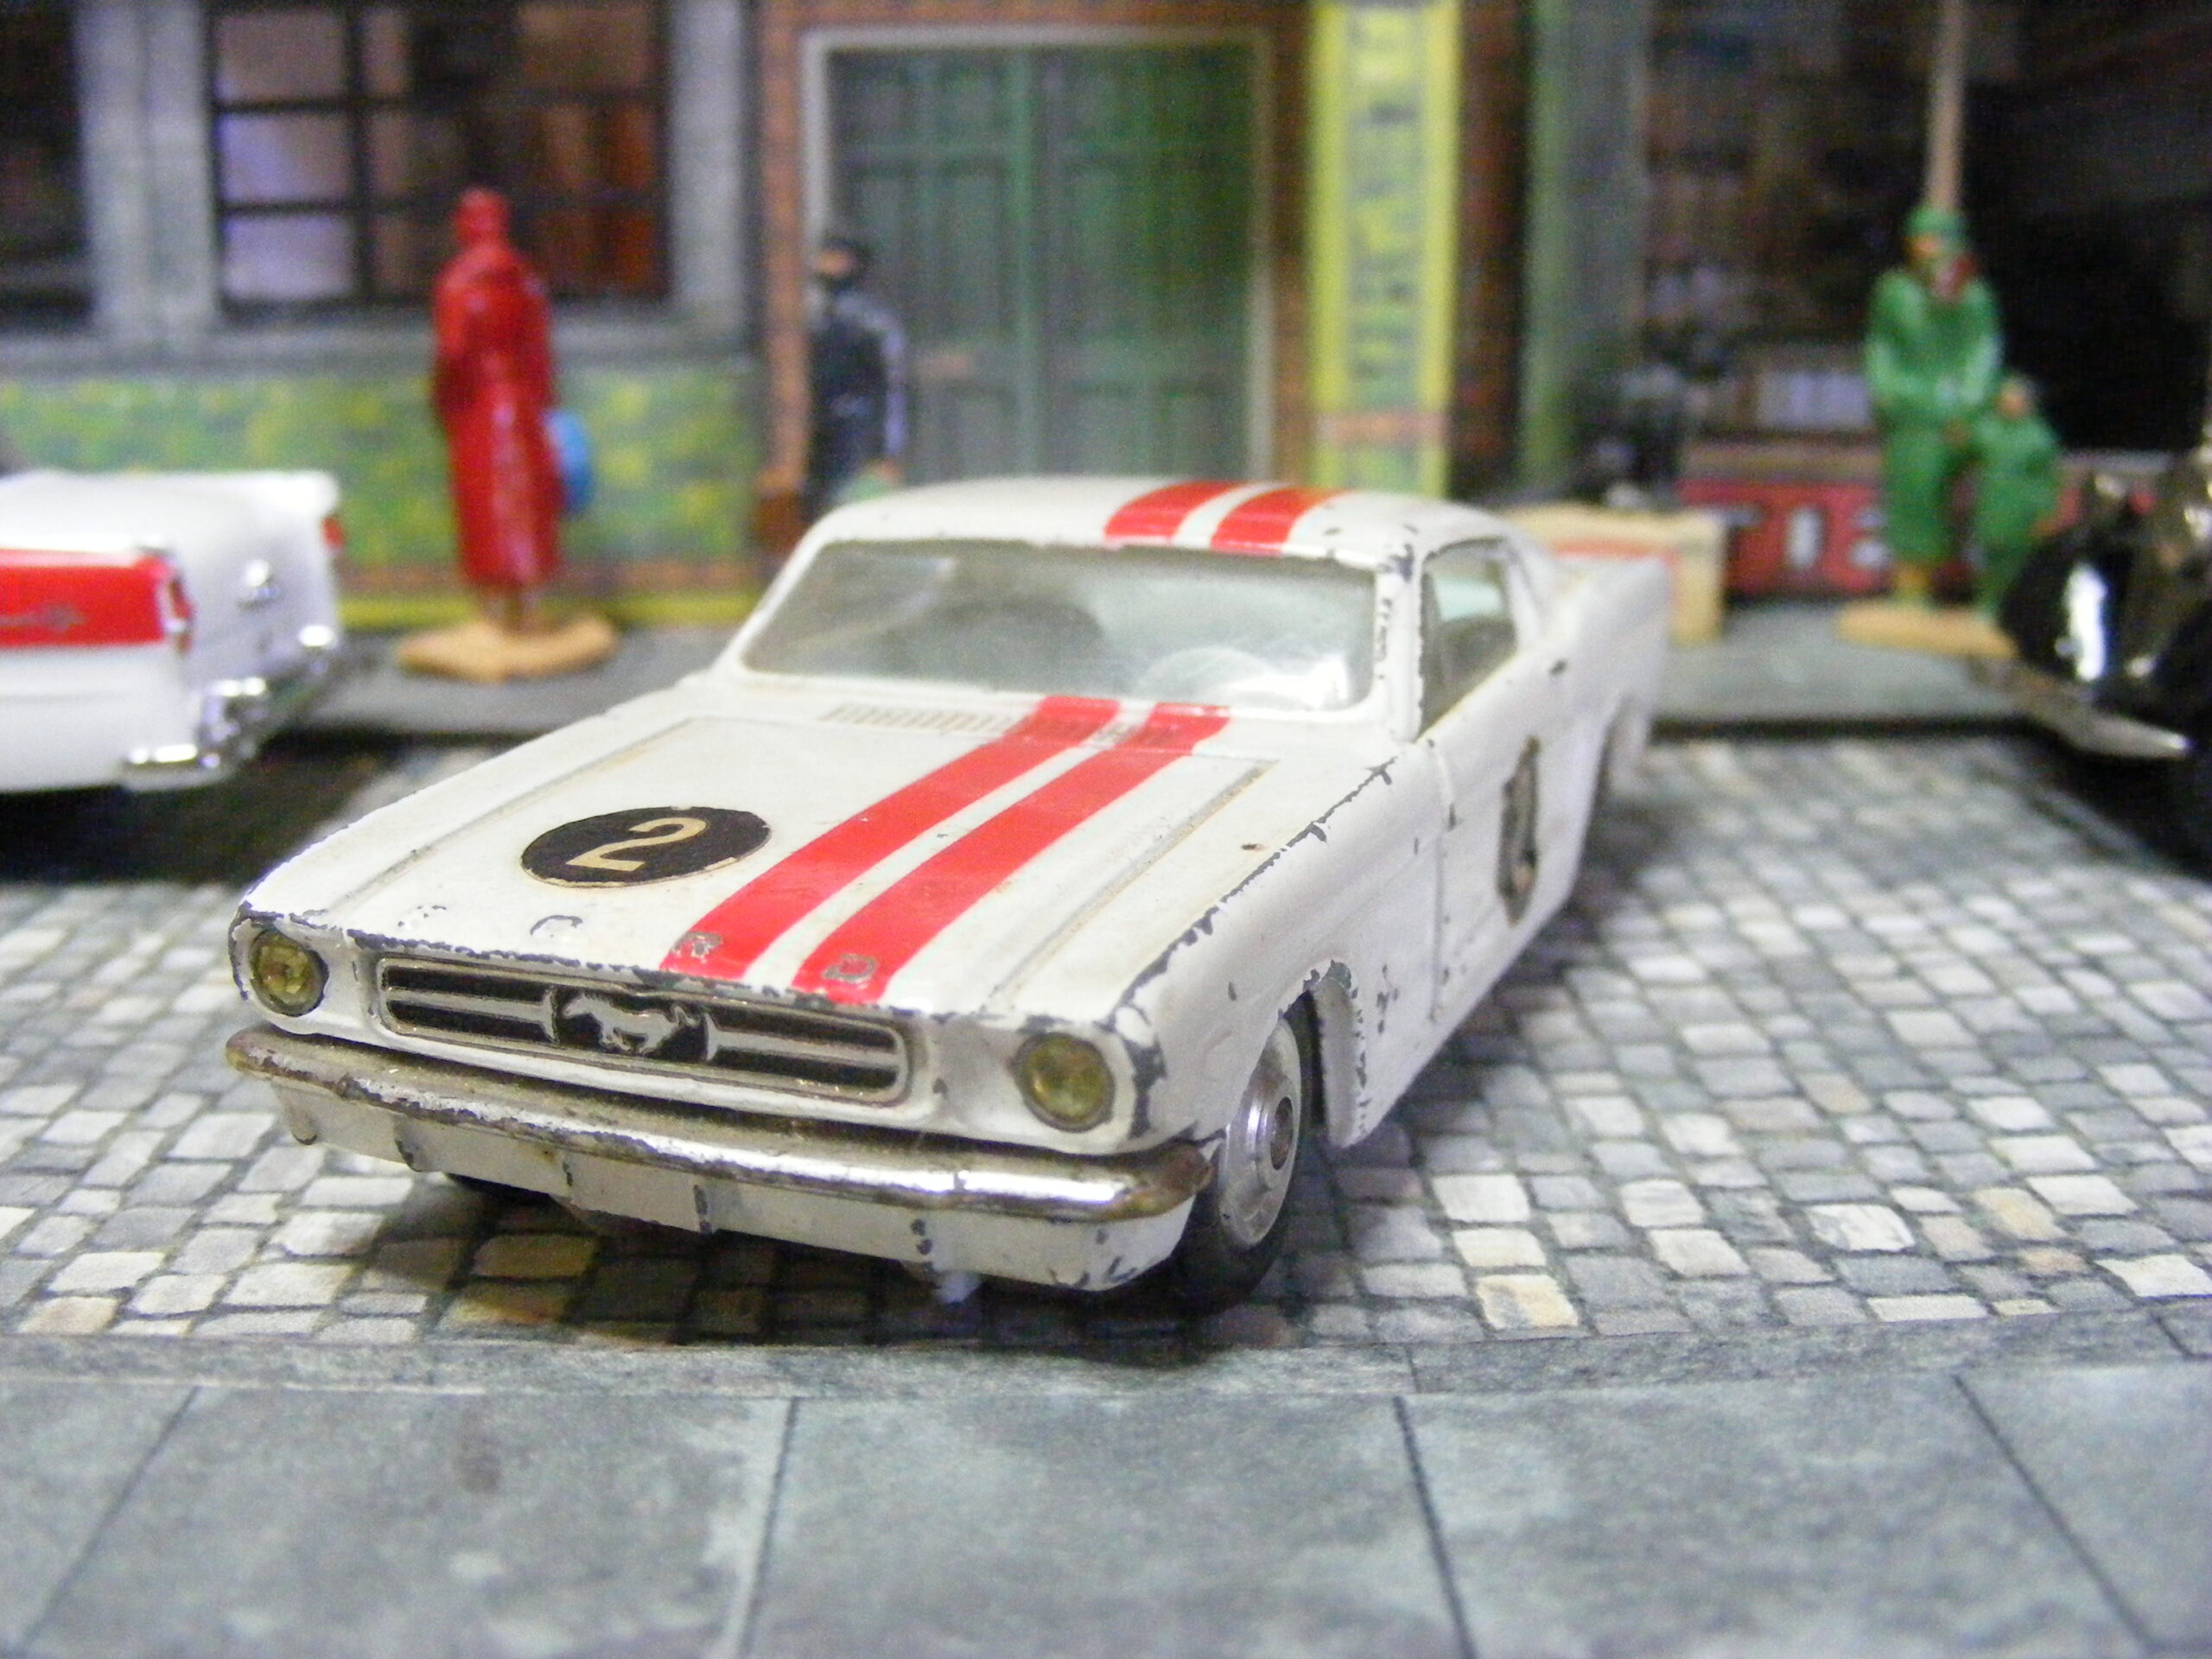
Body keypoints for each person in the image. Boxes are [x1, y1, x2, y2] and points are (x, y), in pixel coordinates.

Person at [401, 188, 613, 681]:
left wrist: (443, 400)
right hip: (524, 407)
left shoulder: (459, 282)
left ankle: (495, 616)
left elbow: (453, 353)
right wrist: (544, 405)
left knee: (485, 508)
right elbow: (540, 352)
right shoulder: (526, 279)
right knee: (530, 508)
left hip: (479, 408)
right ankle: (532, 611)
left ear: (467, 226)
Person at [1864, 204, 2004, 603]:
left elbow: (1982, 352)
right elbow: (1881, 345)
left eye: (1937, 240)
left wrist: (1969, 404)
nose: (1927, 248)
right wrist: (1886, 388)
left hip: (1962, 409)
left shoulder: (1973, 296)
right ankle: (1912, 591)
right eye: (1920, 240)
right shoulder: (1893, 291)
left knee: (2000, 488)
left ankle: (1994, 592)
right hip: (1913, 407)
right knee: (1914, 493)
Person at [804, 232, 906, 522]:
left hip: (860, 432)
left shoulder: (871, 320)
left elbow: (893, 385)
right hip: (828, 431)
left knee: (854, 508)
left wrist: (888, 452)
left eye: (834, 258)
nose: (825, 265)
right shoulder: (826, 317)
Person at [1969, 372, 2063, 613]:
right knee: (1987, 558)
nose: (2009, 404)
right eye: (2005, 399)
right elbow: (1967, 448)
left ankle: (2011, 607)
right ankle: (1986, 604)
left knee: (2016, 562)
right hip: (1991, 506)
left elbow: (2047, 480)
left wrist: (2046, 512)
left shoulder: (2038, 438)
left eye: (2015, 399)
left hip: (2022, 510)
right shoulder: (1988, 430)